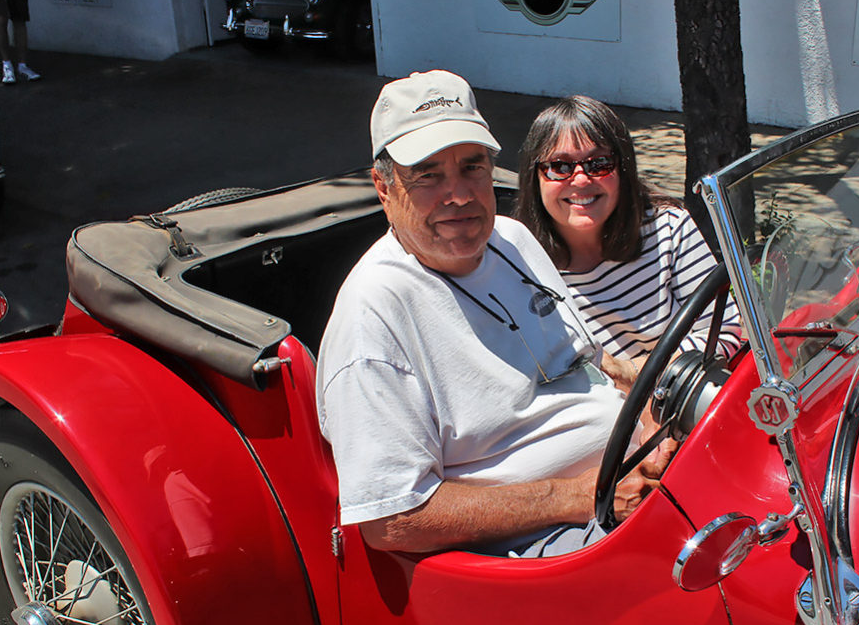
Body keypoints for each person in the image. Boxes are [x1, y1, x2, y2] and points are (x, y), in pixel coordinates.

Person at [316, 70, 667, 558]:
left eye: (472, 167)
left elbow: (591, 361)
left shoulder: (512, 239)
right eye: (428, 175)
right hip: (545, 545)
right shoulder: (373, 318)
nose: (458, 193)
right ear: (383, 187)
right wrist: (577, 496)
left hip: (630, 482)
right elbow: (391, 519)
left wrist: (651, 423)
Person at [515, 95, 741, 380]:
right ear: (534, 176)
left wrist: (631, 371)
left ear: (622, 168)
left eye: (599, 163)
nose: (582, 179)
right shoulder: (517, 268)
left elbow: (725, 329)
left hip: (678, 406)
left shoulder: (668, 228)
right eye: (560, 166)